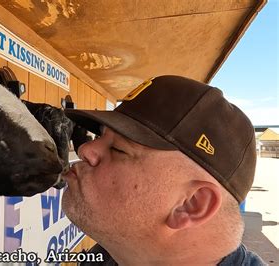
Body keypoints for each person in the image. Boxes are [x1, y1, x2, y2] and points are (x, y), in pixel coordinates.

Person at [62, 75, 266, 265]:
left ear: (192, 204)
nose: (85, 149)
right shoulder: (114, 255)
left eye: (118, 149)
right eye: (99, 137)